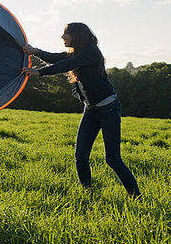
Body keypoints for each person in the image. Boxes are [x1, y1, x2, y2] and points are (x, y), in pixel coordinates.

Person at [21, 22, 139, 197]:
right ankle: (88, 194)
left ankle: (136, 196)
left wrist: (39, 72)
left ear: (77, 35)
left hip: (108, 108)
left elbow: (67, 65)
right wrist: (35, 51)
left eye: (65, 34)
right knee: (80, 156)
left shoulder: (91, 52)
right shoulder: (76, 53)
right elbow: (56, 58)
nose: (62, 37)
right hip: (90, 110)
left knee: (113, 159)